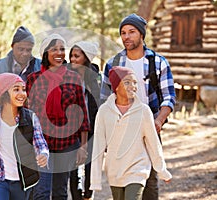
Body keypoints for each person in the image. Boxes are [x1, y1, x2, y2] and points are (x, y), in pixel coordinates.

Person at [100, 13, 176, 200]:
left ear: (142, 35)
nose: (126, 36)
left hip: (148, 125)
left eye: (132, 32)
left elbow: (169, 97)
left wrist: (158, 120)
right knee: (121, 180)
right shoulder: (113, 64)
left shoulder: (157, 62)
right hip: (121, 128)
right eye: (123, 33)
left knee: (150, 181)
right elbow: (104, 99)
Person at [90, 66, 172, 200]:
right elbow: (98, 146)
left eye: (135, 82)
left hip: (138, 168)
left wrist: (162, 170)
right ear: (116, 86)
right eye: (127, 82)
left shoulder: (144, 111)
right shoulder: (104, 112)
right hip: (115, 170)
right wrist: (95, 179)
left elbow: (153, 143)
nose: (133, 86)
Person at [26, 33, 90, 200]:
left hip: (67, 144)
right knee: (41, 191)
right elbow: (26, 113)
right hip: (41, 143)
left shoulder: (73, 77)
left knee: (60, 192)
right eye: (54, 49)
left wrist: (82, 147)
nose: (59, 53)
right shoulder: (33, 79)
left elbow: (82, 115)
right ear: (45, 53)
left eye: (62, 49)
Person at [68, 41, 100, 200]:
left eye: (76, 56)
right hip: (72, 129)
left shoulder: (95, 78)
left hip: (92, 128)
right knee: (73, 169)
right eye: (71, 55)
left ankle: (88, 195)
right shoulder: (66, 75)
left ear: (86, 58)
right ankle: (76, 197)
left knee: (90, 167)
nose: (72, 59)